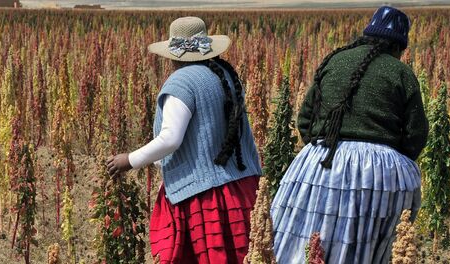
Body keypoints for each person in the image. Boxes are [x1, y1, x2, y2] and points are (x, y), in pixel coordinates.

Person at [270, 6, 428, 263]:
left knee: (306, 242)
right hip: (379, 172)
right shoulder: (401, 73)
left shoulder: (335, 60)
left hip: (323, 160)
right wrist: (394, 160)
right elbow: (416, 134)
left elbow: (306, 119)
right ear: (399, 46)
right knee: (364, 247)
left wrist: (319, 149)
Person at [106, 16, 262, 264]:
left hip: (204, 198)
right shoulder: (225, 75)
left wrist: (130, 160)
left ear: (172, 54)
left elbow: (170, 139)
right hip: (241, 190)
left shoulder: (181, 82)